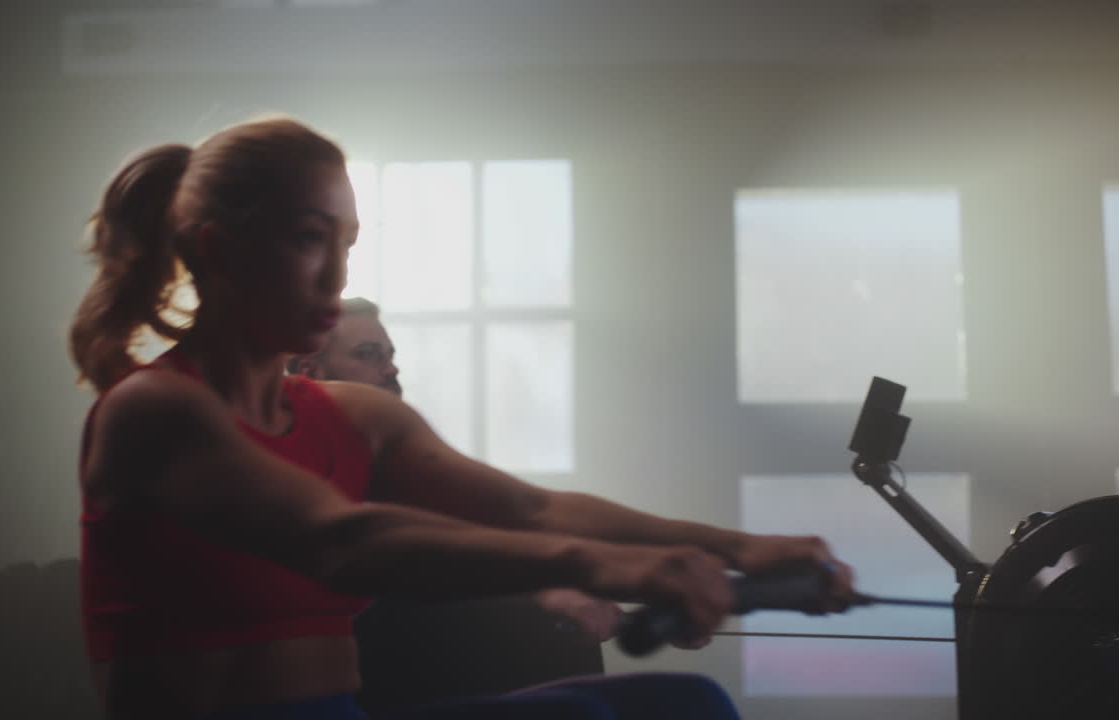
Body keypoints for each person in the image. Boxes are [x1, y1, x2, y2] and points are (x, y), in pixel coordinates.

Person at [69, 114, 855, 719]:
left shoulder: (355, 416)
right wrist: (603, 567)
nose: (337, 275)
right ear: (216, 249)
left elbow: (532, 508)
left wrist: (740, 548)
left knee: (686, 705)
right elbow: (341, 542)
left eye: (348, 243)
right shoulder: (152, 410)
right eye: (309, 239)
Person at [288, 297, 623, 643]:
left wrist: (550, 583)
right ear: (311, 373)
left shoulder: (398, 463)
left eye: (390, 356)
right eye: (369, 354)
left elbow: (508, 520)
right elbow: (396, 552)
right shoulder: (280, 469)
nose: (391, 370)